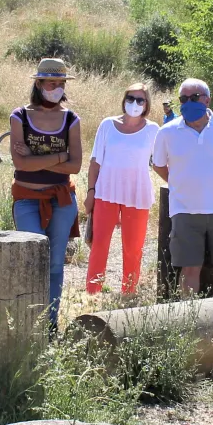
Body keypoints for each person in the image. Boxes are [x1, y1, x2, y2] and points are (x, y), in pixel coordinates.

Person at [151, 78, 213, 295]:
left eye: (194, 97)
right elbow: (158, 166)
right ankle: (190, 322)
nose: (188, 103)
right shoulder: (167, 132)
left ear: (207, 100)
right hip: (184, 210)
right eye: (183, 99)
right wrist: (178, 183)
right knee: (190, 268)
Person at [9, 58, 83, 328]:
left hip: (62, 200)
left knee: (54, 266)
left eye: (60, 83)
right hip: (27, 199)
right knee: (32, 259)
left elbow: (75, 165)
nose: (55, 87)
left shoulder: (71, 118)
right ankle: (29, 322)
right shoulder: (20, 116)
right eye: (50, 82)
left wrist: (39, 157)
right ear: (38, 83)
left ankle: (49, 326)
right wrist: (60, 155)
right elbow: (20, 164)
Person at [85, 82, 160, 298]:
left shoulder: (154, 130)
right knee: (99, 244)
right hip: (105, 191)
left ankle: (128, 294)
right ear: (124, 100)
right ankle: (92, 294)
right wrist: (91, 192)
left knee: (133, 248)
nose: (134, 103)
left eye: (140, 100)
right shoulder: (107, 125)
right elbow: (95, 162)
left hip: (137, 194)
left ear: (146, 104)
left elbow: (161, 162)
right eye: (130, 98)